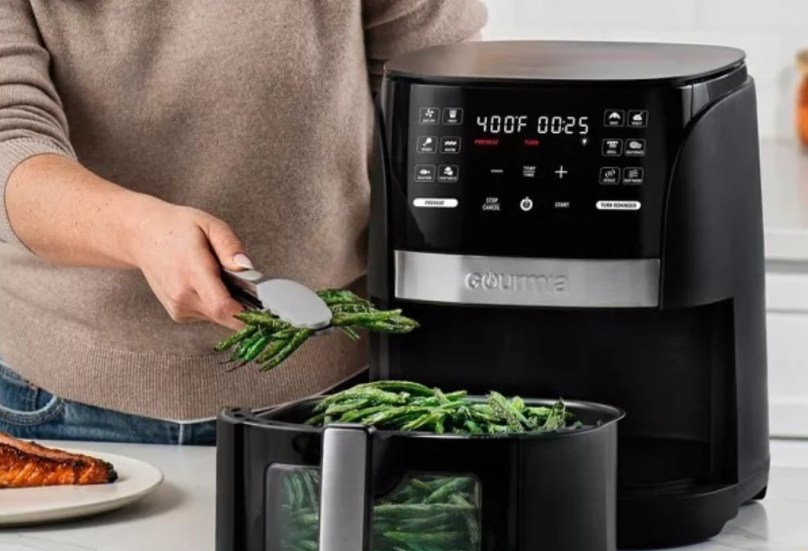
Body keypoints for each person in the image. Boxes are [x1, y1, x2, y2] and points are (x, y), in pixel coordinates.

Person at [0, 1, 487, 445]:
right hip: (56, 403)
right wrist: (137, 231)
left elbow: (440, 99)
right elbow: (9, 135)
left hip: (337, 394)